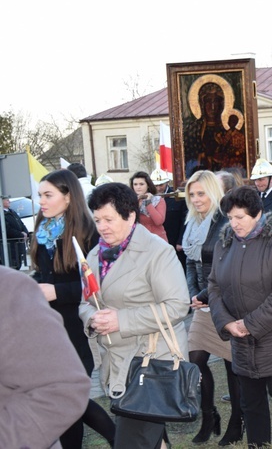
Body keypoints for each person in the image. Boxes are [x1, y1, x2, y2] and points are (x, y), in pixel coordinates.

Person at [80, 182, 190, 448]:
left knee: (132, 442)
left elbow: (177, 305)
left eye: (108, 219)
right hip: (118, 364)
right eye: (97, 220)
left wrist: (121, 320)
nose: (102, 226)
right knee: (151, 441)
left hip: (151, 363)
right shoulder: (95, 254)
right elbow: (86, 301)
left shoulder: (157, 252)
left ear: (130, 216)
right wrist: (91, 319)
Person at [208, 186, 272, 447]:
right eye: (230, 217)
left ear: (257, 214)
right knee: (251, 402)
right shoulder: (225, 243)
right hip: (242, 340)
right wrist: (227, 322)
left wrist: (250, 324)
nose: (234, 223)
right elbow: (214, 286)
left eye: (240, 217)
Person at [29, 169, 116, 447]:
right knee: (65, 401)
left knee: (70, 400)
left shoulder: (88, 233)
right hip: (49, 329)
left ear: (67, 197)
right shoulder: (43, 231)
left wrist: (56, 291)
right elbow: (44, 276)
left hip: (78, 327)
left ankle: (121, 439)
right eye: (40, 195)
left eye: (47, 195)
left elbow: (98, 285)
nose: (41, 201)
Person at [182, 170, 243, 445]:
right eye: (192, 194)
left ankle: (236, 421)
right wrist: (192, 293)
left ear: (213, 192)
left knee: (233, 366)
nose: (196, 199)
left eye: (201, 193)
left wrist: (205, 294)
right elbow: (191, 263)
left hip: (226, 301)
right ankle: (210, 415)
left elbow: (227, 264)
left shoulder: (224, 221)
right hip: (203, 304)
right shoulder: (193, 222)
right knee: (195, 361)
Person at [0, 266, 91, 449]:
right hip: (51, 319)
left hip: (70, 327)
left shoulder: (10, 288)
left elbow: (63, 389)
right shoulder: (42, 240)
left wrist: (58, 291)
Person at [129, 171, 168, 242]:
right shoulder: (130, 201)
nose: (138, 187)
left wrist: (148, 203)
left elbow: (159, 221)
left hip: (157, 239)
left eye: (141, 184)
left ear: (148, 185)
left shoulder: (158, 200)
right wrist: (137, 203)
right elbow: (128, 222)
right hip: (138, 239)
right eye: (135, 184)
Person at [2, 194, 28, 269]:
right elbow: (7, 229)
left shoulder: (12, 212)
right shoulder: (2, 214)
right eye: (7, 200)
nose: (9, 201)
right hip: (10, 245)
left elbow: (21, 223)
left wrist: (25, 233)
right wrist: (21, 234)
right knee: (12, 265)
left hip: (18, 245)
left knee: (18, 263)